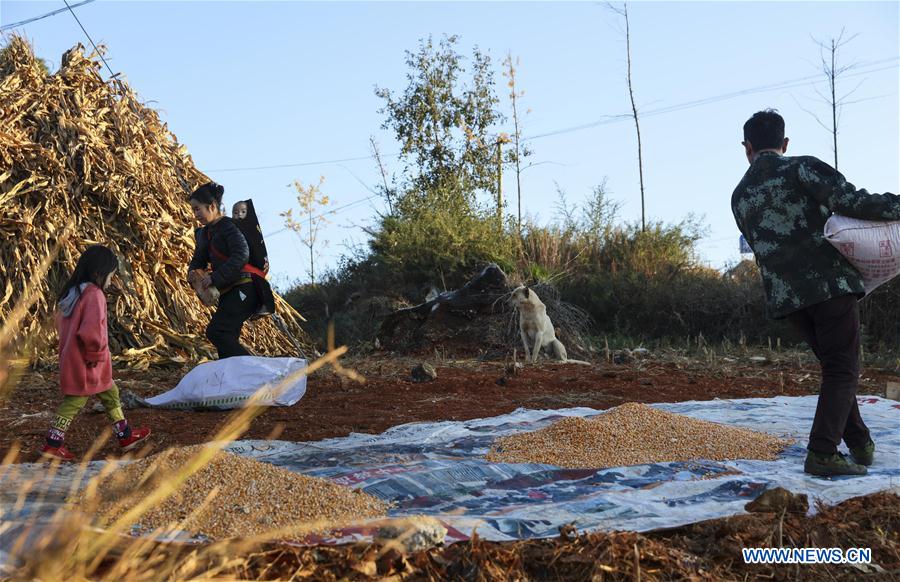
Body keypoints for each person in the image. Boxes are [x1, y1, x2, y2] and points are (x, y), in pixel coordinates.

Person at [731, 109, 900, 477]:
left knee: (834, 368)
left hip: (788, 299)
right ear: (784, 143)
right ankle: (822, 452)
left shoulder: (739, 196)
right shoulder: (801, 168)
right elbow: (852, 201)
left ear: (747, 148)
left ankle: (859, 443)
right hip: (828, 286)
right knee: (843, 369)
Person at [42, 245, 151, 461]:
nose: (111, 281)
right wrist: (96, 356)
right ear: (99, 273)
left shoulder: (73, 292)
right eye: (111, 275)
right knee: (74, 402)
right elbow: (92, 331)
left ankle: (125, 435)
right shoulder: (94, 294)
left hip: (73, 359)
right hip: (89, 363)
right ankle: (53, 445)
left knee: (111, 394)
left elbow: (62, 327)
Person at [188, 182, 258, 358]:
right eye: (193, 210)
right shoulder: (205, 234)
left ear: (211, 206)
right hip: (228, 290)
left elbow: (241, 254)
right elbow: (198, 260)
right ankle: (238, 381)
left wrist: (215, 277)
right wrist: (193, 274)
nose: (196, 215)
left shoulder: (229, 226)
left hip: (245, 287)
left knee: (217, 331)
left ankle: (258, 372)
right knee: (227, 338)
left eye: (198, 209)